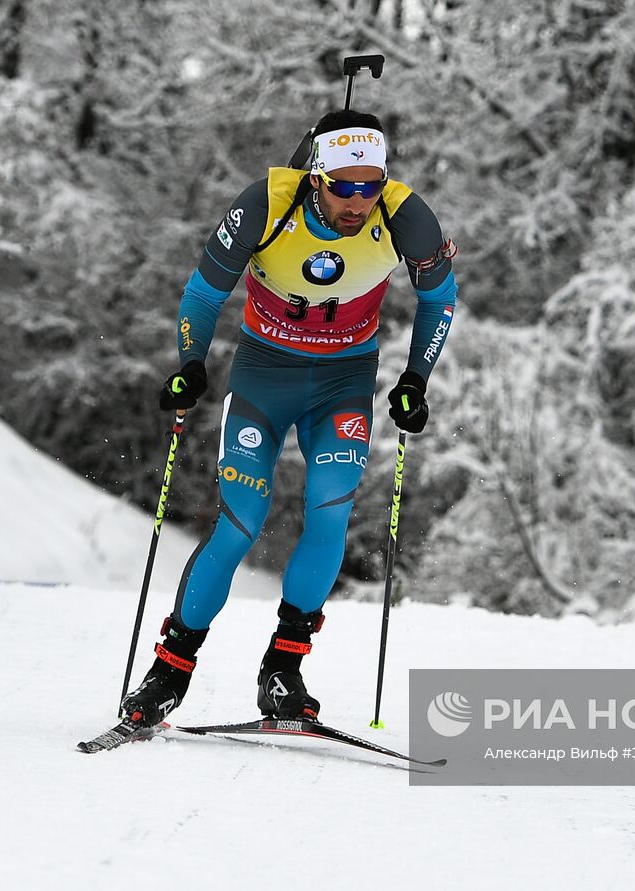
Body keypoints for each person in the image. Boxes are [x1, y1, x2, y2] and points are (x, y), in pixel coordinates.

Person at [121, 109, 458, 726]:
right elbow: (203, 292)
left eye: (371, 185)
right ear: (315, 176)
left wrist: (414, 379)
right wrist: (190, 365)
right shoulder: (265, 205)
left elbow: (440, 298)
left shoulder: (405, 215)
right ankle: (169, 671)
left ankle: (283, 669)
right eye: (343, 185)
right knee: (238, 523)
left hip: (343, 382)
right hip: (262, 377)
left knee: (329, 512)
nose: (358, 200)